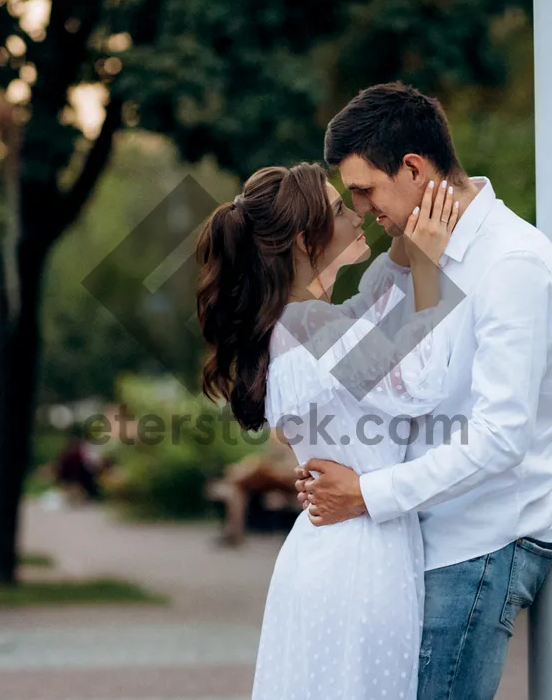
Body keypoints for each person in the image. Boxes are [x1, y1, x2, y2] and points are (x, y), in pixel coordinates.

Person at [296, 82, 552, 700]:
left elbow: (500, 437)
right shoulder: (408, 258)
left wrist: (366, 494)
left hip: (478, 542)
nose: (362, 209)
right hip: (415, 537)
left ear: (414, 169)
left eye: (366, 190)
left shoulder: (512, 263)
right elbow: (361, 371)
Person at [196, 160, 460, 700]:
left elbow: (373, 313)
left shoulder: (292, 326)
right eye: (340, 209)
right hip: (359, 559)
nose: (358, 212)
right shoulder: (312, 326)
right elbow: (422, 383)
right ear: (303, 239)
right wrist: (428, 262)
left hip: (329, 551)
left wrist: (404, 250)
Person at [214, 432, 299, 547]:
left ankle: (234, 533)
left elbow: (290, 473)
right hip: (268, 485)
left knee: (250, 476)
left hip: (291, 486)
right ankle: (234, 533)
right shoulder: (268, 458)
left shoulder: (296, 453)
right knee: (236, 491)